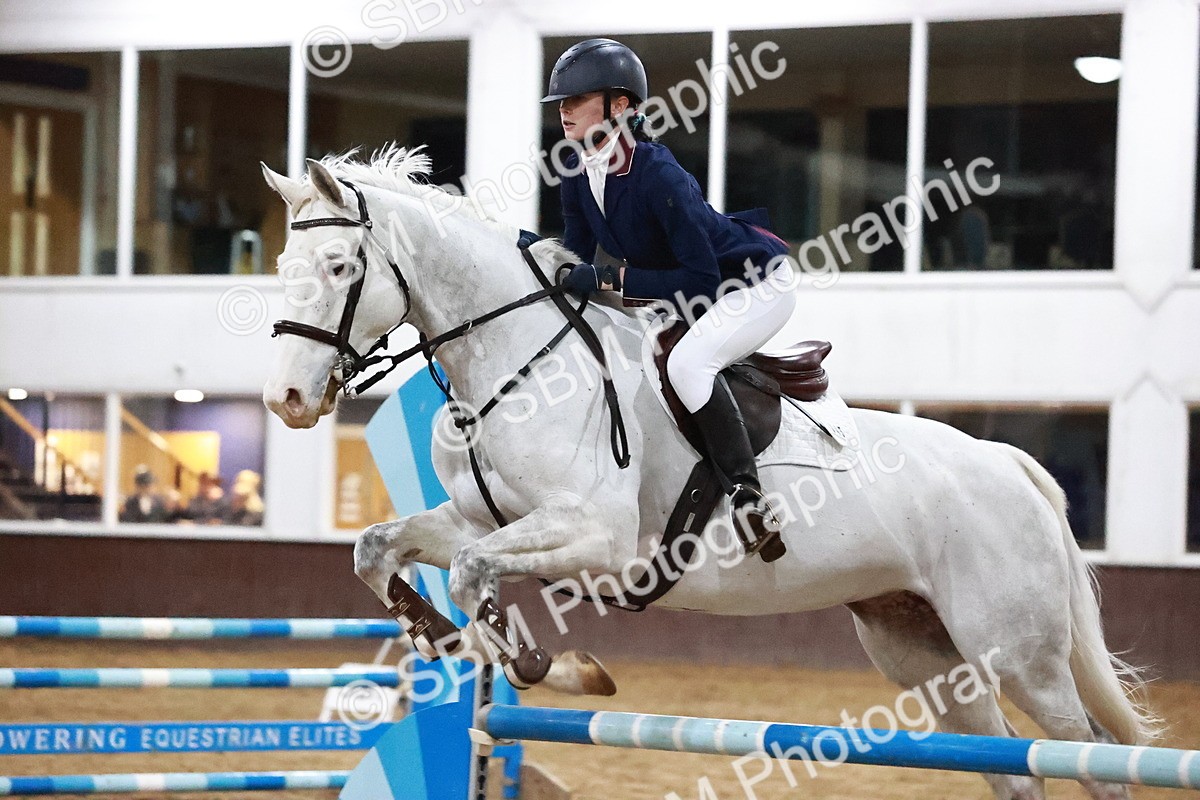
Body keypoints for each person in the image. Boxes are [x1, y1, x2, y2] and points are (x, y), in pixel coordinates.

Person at [545, 38, 797, 562]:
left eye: (578, 99)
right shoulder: (573, 166)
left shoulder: (659, 175)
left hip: (752, 284)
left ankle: (748, 498)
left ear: (619, 105)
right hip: (686, 293)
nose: (564, 110)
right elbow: (574, 253)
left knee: (687, 365)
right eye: (562, 102)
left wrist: (608, 280)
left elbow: (701, 279)